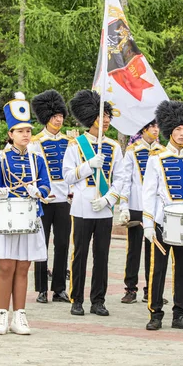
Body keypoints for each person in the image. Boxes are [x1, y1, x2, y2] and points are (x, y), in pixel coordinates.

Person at [0, 92, 50, 336]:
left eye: (28, 130)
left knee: (23, 267)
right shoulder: (0, 158)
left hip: (30, 217)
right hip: (8, 218)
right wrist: (0, 193)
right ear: (10, 134)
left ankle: (19, 315)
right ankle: (2, 314)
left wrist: (38, 190)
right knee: (6, 267)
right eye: (20, 131)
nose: (26, 134)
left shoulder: (37, 159)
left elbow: (46, 186)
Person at [142, 101, 183, 332]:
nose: (182, 134)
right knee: (157, 269)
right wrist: (148, 225)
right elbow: (148, 193)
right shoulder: (155, 159)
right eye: (178, 130)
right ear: (170, 130)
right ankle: (155, 313)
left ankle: (180, 314)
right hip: (162, 222)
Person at [63, 89, 124, 317]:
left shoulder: (114, 147)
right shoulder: (76, 145)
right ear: (91, 118)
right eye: (103, 116)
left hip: (104, 209)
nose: (107, 120)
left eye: (108, 116)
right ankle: (76, 299)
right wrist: (89, 165)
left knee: (102, 257)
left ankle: (98, 300)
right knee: (79, 256)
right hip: (81, 208)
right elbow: (67, 175)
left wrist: (109, 198)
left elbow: (120, 179)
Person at [30, 89, 71, 304]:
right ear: (47, 117)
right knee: (41, 244)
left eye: (61, 116)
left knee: (63, 243)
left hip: (64, 200)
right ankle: (41, 289)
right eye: (55, 116)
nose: (59, 120)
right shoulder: (35, 142)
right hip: (44, 200)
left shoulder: (69, 142)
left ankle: (59, 289)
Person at [119, 119, 164, 304]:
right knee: (134, 249)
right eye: (152, 126)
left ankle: (151, 288)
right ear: (144, 129)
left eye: (157, 126)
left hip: (155, 209)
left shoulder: (162, 152)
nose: (156, 130)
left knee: (153, 249)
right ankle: (131, 288)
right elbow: (125, 180)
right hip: (136, 206)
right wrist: (123, 206)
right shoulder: (132, 151)